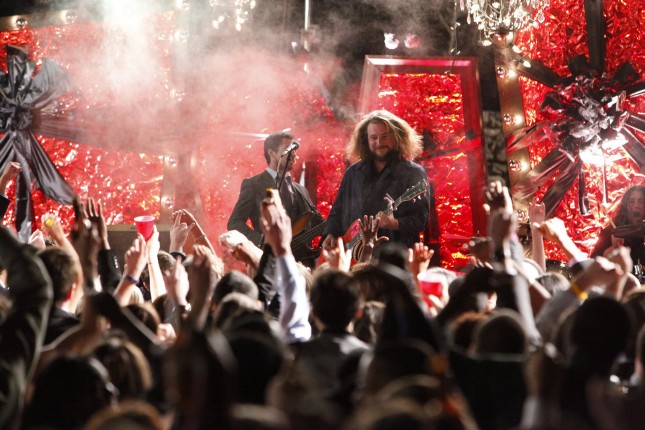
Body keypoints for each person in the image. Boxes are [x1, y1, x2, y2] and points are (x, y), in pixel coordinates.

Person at [322, 110, 430, 252]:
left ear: (397, 137)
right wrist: (330, 233)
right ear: (366, 140)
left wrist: (394, 223)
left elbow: (422, 219)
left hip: (394, 257)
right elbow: (338, 210)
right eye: (373, 138)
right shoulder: (353, 172)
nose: (379, 143)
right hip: (353, 256)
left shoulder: (413, 172)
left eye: (385, 137)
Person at [227, 131, 324, 258]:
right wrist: (262, 241)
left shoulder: (301, 190)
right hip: (269, 260)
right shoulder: (253, 185)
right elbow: (234, 223)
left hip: (303, 263)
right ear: (271, 153)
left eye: (295, 150)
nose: (294, 154)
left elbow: (320, 224)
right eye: (288, 149)